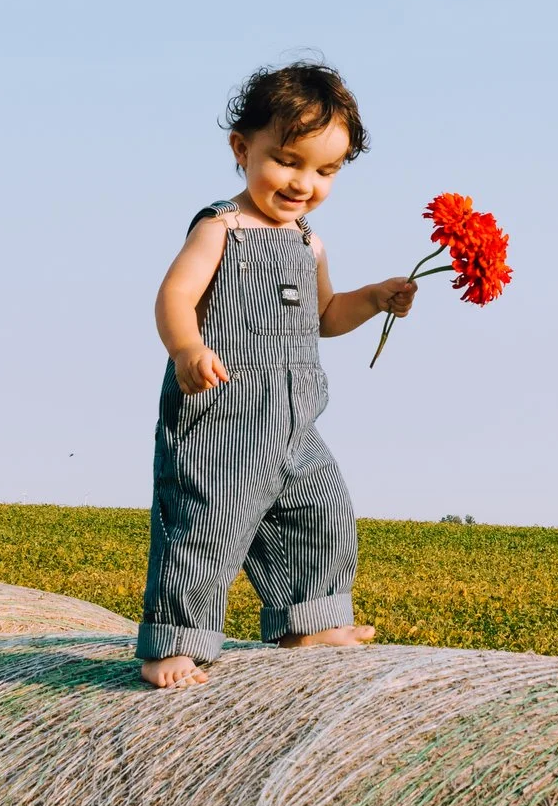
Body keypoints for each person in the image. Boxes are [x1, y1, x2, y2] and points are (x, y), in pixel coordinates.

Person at [138, 61, 414, 689]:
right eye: (287, 161)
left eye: (325, 170)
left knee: (322, 512)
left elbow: (325, 316)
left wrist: (373, 298)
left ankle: (307, 619)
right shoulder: (221, 228)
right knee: (207, 524)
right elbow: (174, 296)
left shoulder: (309, 244)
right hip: (222, 416)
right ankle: (174, 642)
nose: (303, 183)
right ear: (242, 148)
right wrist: (187, 351)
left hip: (295, 420)